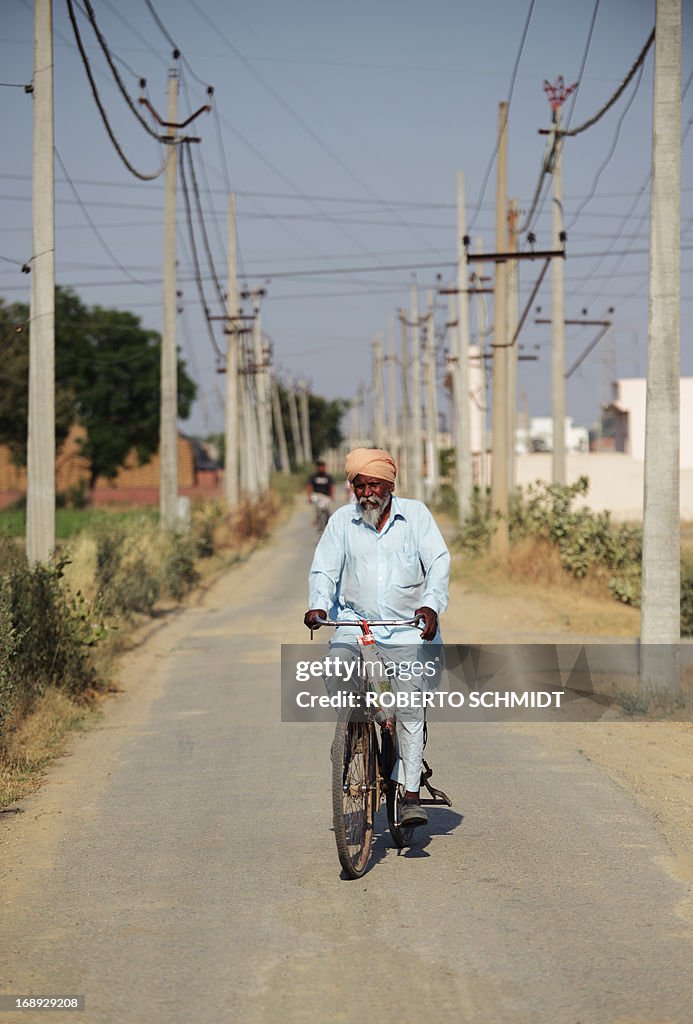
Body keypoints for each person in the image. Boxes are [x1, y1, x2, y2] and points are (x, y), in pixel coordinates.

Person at [304, 447, 450, 828]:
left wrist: (431, 606)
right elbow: (324, 571)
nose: (368, 492)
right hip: (355, 623)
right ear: (352, 487)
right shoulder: (341, 523)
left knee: (409, 709)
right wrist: (319, 606)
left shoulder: (416, 516)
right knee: (336, 666)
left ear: (390, 484)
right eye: (360, 485)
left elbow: (437, 563)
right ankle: (353, 731)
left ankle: (410, 795)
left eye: (374, 484)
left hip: (406, 626)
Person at [306, 459, 335, 524]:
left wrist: (332, 496)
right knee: (315, 508)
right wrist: (309, 496)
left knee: (328, 508)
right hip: (316, 495)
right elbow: (309, 486)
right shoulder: (313, 476)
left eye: (322, 466)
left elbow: (331, 486)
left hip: (326, 496)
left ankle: (330, 520)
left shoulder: (328, 476)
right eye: (319, 466)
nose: (320, 468)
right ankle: (315, 519)